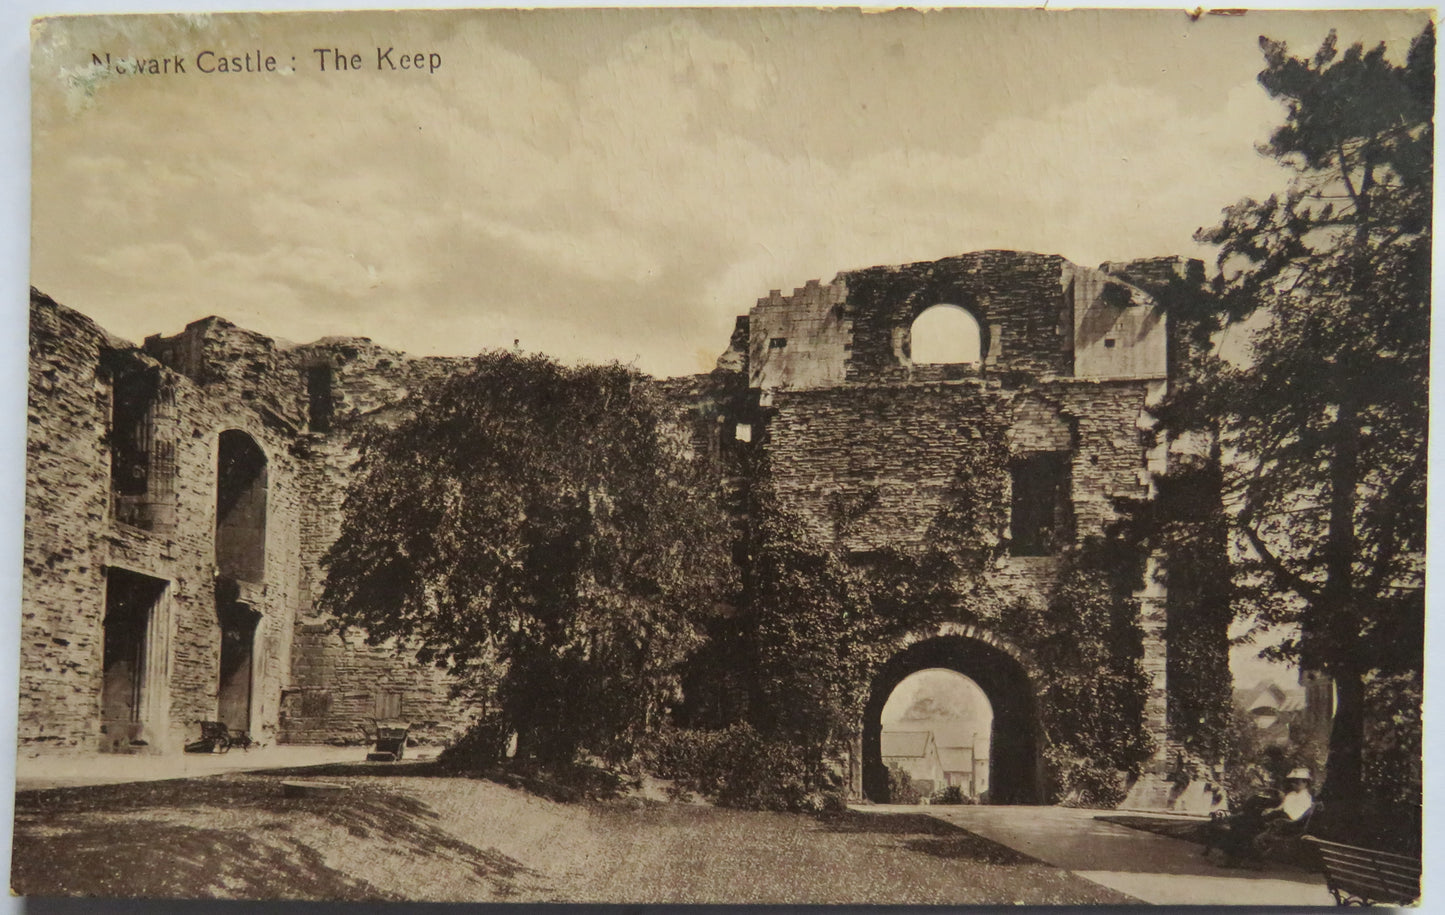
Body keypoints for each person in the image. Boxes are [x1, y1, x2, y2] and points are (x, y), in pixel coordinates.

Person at [1205, 768, 1316, 866]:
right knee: (1243, 821)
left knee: (1247, 824)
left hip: (1286, 822)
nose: (1294, 784)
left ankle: (1236, 857)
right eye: (1293, 781)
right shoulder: (1291, 795)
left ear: (1305, 783)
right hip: (1277, 817)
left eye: (1297, 781)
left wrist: (1277, 817)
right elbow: (1280, 807)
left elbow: (1296, 816)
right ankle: (1231, 854)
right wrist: (1271, 810)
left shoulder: (1305, 797)